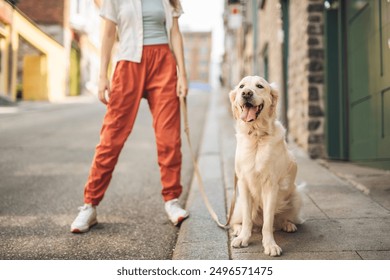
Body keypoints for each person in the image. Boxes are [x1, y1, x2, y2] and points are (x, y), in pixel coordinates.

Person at [71, 0, 189, 233]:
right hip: (128, 65)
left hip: (164, 65)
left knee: (169, 138)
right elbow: (107, 33)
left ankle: (172, 200)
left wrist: (182, 75)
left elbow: (175, 33)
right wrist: (102, 76)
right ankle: (90, 205)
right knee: (111, 138)